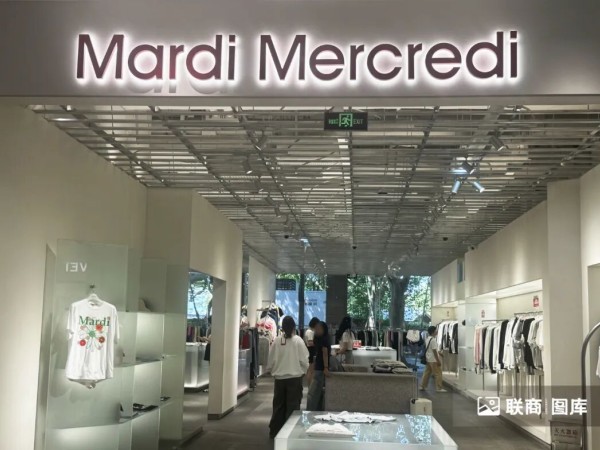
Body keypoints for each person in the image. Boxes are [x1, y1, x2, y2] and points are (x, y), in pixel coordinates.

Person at [267, 316, 309, 438]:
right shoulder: (298, 341)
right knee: (293, 406)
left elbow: (271, 360)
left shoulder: (277, 341)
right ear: (294, 327)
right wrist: (304, 371)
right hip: (295, 378)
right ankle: (290, 433)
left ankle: (275, 431)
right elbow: (304, 360)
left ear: (282, 327)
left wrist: (271, 370)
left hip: (279, 379)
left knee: (278, 405)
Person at [306, 321, 331, 411]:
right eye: (316, 329)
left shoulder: (323, 339)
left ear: (324, 329)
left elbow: (325, 353)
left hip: (321, 369)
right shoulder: (320, 339)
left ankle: (311, 411)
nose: (317, 330)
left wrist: (326, 367)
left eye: (319, 329)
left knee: (313, 393)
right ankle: (316, 411)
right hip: (319, 368)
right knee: (317, 392)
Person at [420, 325, 447, 393]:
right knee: (438, 373)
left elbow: (431, 349)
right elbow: (434, 351)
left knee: (426, 373)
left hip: (428, 359)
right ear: (433, 332)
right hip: (434, 360)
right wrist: (438, 360)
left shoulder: (428, 339)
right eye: (436, 330)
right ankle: (439, 388)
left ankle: (422, 386)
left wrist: (439, 353)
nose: (437, 331)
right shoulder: (433, 340)